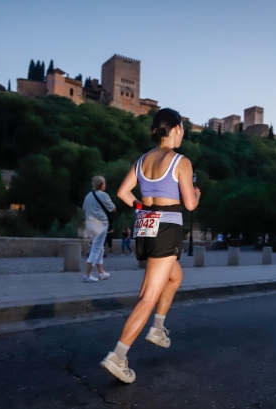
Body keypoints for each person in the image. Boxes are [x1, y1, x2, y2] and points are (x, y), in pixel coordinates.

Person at [99, 108, 200, 383]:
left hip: (146, 226)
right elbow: (189, 204)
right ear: (177, 129)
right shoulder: (181, 161)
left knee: (175, 275)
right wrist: (197, 194)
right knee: (148, 295)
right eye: (182, 130)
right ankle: (118, 356)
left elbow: (122, 192)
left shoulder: (142, 160)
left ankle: (157, 327)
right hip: (167, 228)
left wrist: (141, 205)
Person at [82, 175, 116, 283]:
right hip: (100, 224)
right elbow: (113, 209)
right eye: (104, 183)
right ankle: (87, 275)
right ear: (101, 184)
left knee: (99, 247)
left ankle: (101, 273)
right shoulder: (103, 195)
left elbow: (84, 210)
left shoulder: (88, 196)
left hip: (89, 224)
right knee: (96, 249)